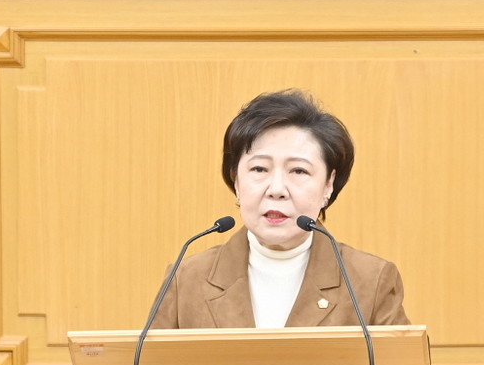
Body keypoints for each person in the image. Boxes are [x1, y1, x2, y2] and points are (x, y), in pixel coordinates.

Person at [153, 89, 409, 328]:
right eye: (259, 169)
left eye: (298, 171)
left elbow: (401, 363)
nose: (276, 189)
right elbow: (151, 362)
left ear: (328, 185)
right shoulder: (186, 279)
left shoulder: (370, 281)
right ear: (236, 180)